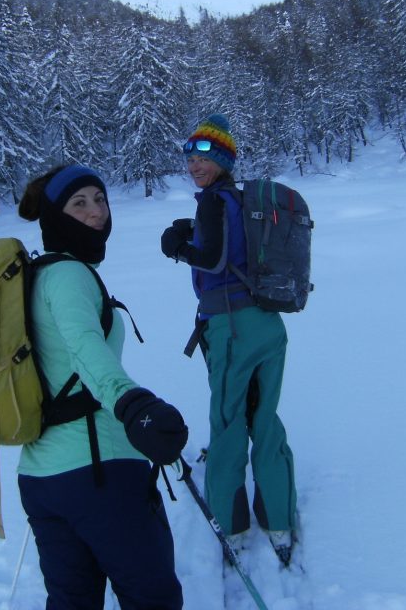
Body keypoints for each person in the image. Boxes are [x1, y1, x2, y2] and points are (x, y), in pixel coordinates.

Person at [17, 163, 188, 610]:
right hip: (99, 472)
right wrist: (134, 405)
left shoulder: (36, 276)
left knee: (72, 602)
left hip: (41, 477)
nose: (97, 213)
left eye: (100, 198)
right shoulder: (69, 275)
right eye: (80, 203)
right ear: (54, 216)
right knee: (153, 598)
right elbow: (84, 348)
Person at [159, 114, 297, 566]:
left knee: (228, 420)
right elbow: (231, 241)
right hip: (268, 324)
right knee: (265, 416)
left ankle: (233, 525)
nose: (194, 163)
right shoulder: (240, 201)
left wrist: (177, 246)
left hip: (232, 327)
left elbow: (214, 259)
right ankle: (279, 518)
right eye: (189, 154)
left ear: (223, 159)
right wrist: (192, 227)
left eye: (205, 155)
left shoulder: (214, 203)